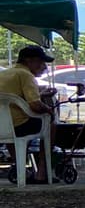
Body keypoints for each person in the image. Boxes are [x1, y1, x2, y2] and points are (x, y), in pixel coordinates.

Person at [0, 45, 57, 183]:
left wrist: (41, 94)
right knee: (50, 122)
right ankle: (42, 172)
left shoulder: (4, 74)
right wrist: (49, 110)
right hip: (20, 126)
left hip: (2, 127)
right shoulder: (26, 75)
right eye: (41, 62)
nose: (44, 66)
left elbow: (13, 98)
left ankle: (22, 169)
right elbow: (35, 105)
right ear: (29, 61)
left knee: (10, 125)